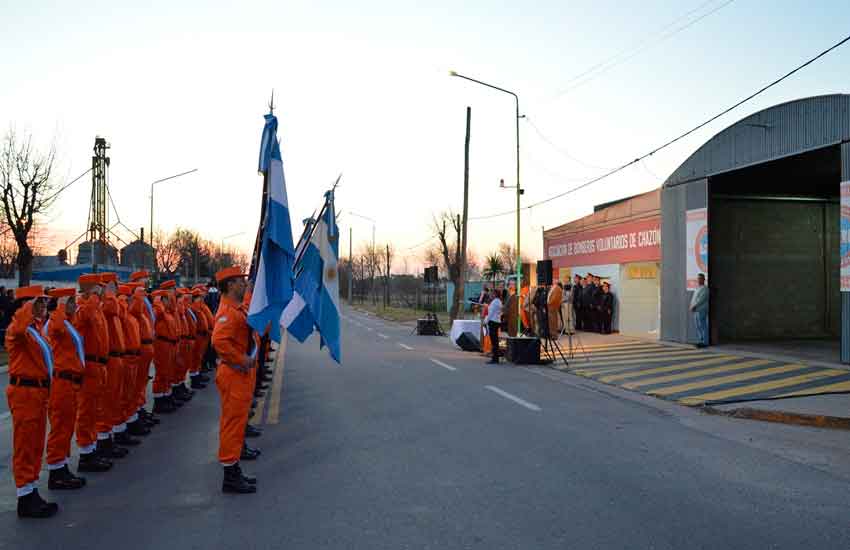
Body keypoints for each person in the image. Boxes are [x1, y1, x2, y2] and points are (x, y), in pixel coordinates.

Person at [5, 285, 59, 518]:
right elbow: (18, 328)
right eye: (39, 302)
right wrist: (27, 305)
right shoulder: (17, 329)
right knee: (25, 445)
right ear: (27, 305)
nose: (43, 306)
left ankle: (32, 490)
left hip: (37, 392)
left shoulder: (35, 330)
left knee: (36, 444)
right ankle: (25, 496)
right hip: (24, 393)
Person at [212, 266, 259, 494]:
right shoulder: (227, 312)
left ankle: (234, 468)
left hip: (240, 374)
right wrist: (241, 358)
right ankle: (230, 475)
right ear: (230, 285)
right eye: (240, 282)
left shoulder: (236, 309)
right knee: (232, 424)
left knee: (237, 421)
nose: (243, 284)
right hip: (233, 374)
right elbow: (219, 341)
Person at [44, 287, 87, 490]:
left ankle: (61, 467)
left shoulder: (67, 322)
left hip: (69, 382)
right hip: (60, 382)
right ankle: (56, 471)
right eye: (69, 302)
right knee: (60, 427)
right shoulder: (55, 322)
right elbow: (57, 330)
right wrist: (60, 307)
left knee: (67, 427)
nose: (74, 305)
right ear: (60, 304)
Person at [74, 274, 112, 473]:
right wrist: (93, 297)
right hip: (89, 366)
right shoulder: (83, 307)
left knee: (95, 409)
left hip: (99, 365)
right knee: (87, 411)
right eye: (98, 287)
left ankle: (92, 449)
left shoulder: (95, 308)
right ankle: (86, 454)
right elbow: (84, 317)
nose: (102, 291)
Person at [690, 273, 709, 347]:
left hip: (701, 310)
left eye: (700, 278)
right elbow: (694, 299)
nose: (698, 280)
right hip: (696, 310)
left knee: (702, 325)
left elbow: (701, 299)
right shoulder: (697, 288)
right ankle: (701, 340)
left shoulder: (705, 288)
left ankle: (705, 342)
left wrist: (694, 306)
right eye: (698, 278)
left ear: (703, 279)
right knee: (698, 326)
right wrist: (691, 305)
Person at [485, 289, 503, 364]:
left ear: (495, 294)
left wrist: (485, 321)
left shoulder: (495, 302)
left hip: (493, 322)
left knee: (494, 341)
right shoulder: (498, 301)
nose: (490, 295)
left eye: (491, 294)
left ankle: (495, 358)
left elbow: (490, 313)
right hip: (496, 321)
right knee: (495, 341)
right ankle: (495, 357)